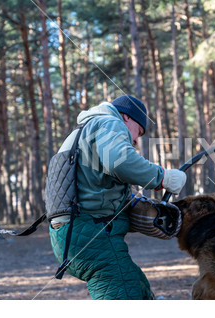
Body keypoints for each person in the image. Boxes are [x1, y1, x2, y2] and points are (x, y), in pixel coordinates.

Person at [49, 95, 186, 300]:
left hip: (72, 236)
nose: (136, 140)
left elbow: (94, 188)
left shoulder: (88, 128)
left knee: (137, 285)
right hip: (90, 235)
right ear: (126, 117)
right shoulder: (109, 122)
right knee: (125, 291)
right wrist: (163, 177)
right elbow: (119, 162)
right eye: (138, 132)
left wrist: (130, 209)